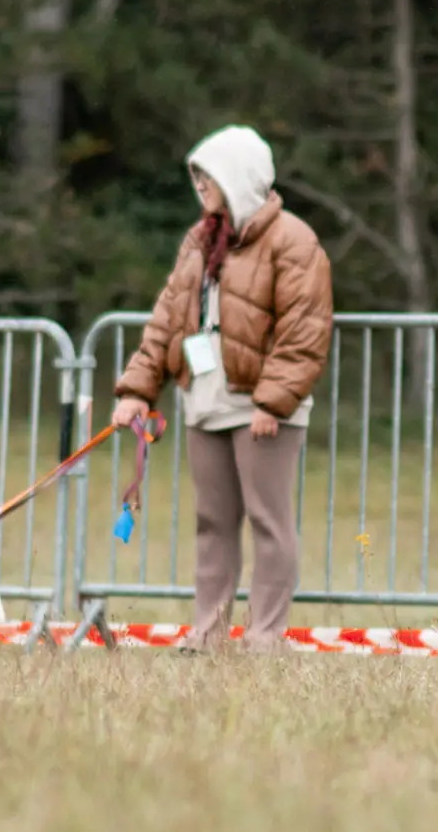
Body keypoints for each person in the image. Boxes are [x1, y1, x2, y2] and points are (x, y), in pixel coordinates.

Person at [112, 126, 333, 653]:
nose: (200, 185)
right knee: (212, 522)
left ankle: (264, 637)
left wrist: (272, 401)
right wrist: (137, 389)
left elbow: (305, 329)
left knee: (268, 522)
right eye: (197, 175)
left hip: (262, 411)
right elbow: (167, 318)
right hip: (204, 402)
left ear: (238, 178)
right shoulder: (199, 240)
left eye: (208, 175)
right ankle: (207, 632)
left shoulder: (294, 241)